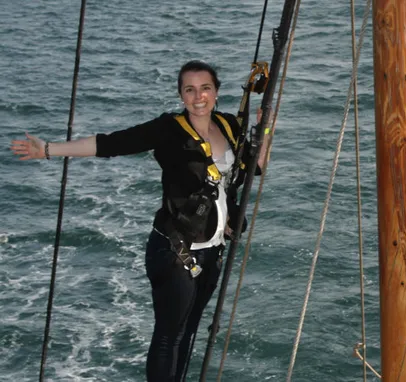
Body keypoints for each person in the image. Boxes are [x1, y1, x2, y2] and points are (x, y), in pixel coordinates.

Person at [10, 60, 268, 381]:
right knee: (168, 337)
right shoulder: (168, 129)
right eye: (190, 89)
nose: (198, 96)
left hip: (211, 250)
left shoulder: (228, 125)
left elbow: (253, 168)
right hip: (175, 252)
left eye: (205, 88)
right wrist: (48, 149)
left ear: (216, 92)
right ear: (181, 94)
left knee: (187, 332)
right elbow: (110, 144)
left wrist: (265, 127)